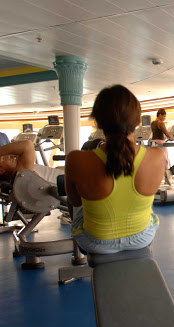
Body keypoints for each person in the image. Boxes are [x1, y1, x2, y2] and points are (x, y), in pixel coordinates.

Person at [65, 85, 166, 254]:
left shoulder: (75, 159)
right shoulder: (157, 155)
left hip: (96, 242)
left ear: (97, 122)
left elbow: (75, 201)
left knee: (81, 209)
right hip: (141, 238)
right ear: (138, 120)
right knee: (150, 213)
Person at [151, 108, 174, 184]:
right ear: (160, 115)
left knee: (156, 161)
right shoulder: (161, 123)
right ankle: (167, 178)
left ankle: (155, 178)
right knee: (165, 160)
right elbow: (167, 133)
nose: (164, 118)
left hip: (154, 143)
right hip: (160, 142)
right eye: (164, 116)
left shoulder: (152, 123)